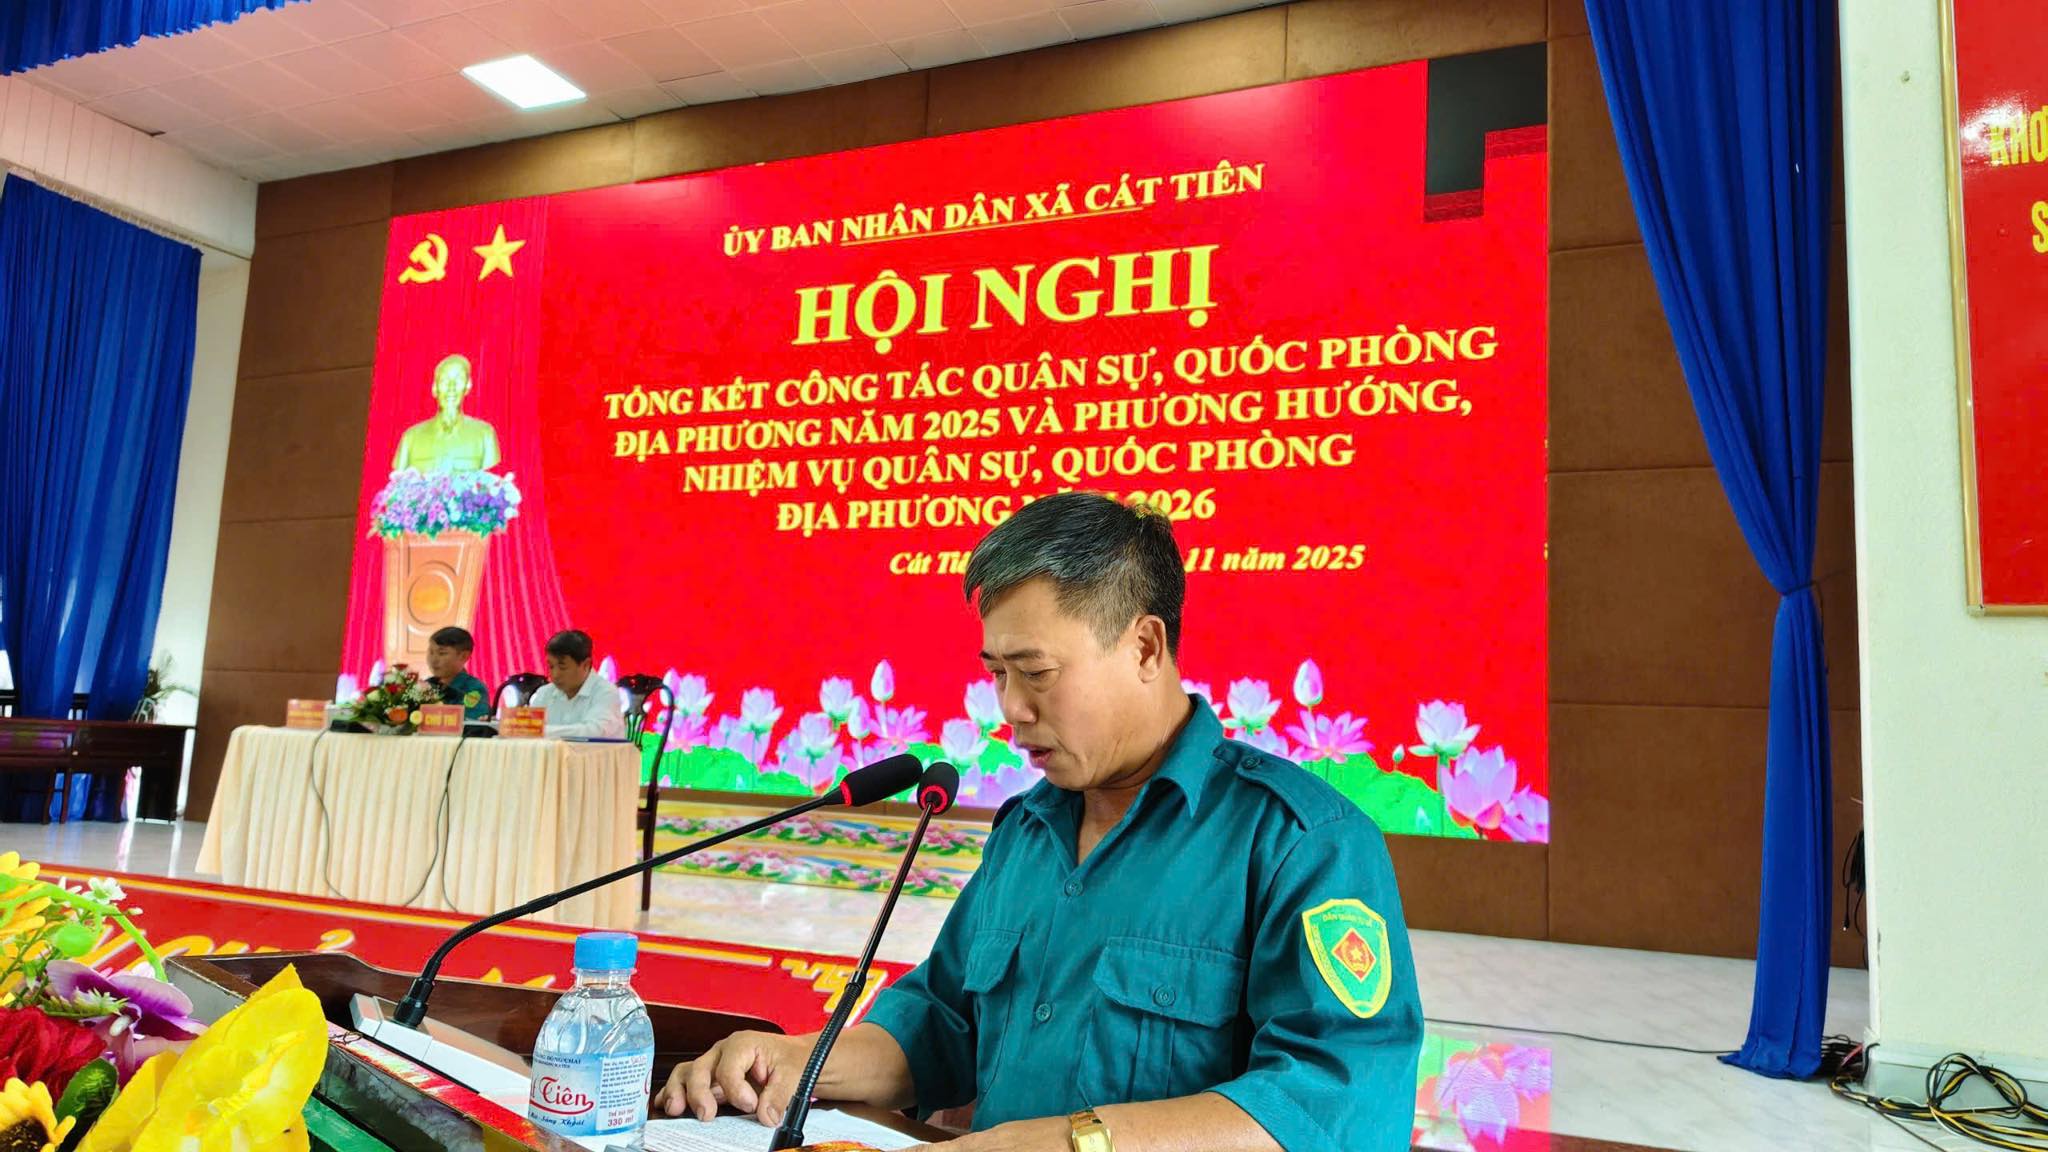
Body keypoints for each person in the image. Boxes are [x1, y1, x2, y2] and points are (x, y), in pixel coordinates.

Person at [657, 493, 1422, 1151]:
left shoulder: (1299, 842)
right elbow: (943, 1023)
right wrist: (803, 1063)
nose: (1012, 709)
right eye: (997, 674)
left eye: (1037, 673)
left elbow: (1336, 1103)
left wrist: (1071, 1141)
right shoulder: (1029, 830)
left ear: (1145, 647)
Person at [528, 629, 624, 740]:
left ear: (586, 665)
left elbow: (595, 731)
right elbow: (528, 729)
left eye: (562, 667)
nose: (555, 674)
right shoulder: (545, 693)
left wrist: (541, 731)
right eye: (551, 667)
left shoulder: (606, 692)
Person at [424, 626, 492, 721]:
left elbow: (471, 722)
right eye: (431, 652)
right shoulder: (426, 685)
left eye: (442, 653)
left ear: (464, 656)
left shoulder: (474, 688)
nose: (434, 660)